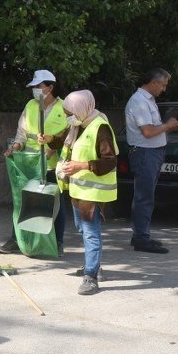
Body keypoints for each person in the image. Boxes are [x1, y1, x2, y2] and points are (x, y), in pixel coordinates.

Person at [0, 70, 69, 255]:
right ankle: (16, 239)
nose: (35, 90)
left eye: (39, 86)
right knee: (22, 201)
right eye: (34, 87)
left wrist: (50, 151)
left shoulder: (64, 107)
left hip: (52, 164)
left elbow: (67, 136)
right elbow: (21, 133)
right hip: (29, 164)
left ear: (50, 87)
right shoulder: (30, 105)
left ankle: (58, 241)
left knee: (55, 203)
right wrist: (14, 147)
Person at [57, 90, 119, 295]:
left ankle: (91, 276)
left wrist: (81, 166)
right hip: (79, 190)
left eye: (69, 112)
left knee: (91, 233)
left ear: (81, 109)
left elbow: (110, 161)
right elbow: (60, 139)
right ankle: (94, 265)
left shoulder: (100, 128)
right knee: (82, 229)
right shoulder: (79, 126)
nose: (68, 117)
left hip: (93, 193)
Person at [124, 68, 178, 254]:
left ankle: (141, 234)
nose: (164, 89)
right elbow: (148, 132)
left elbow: (154, 129)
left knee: (146, 196)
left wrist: (171, 128)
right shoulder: (139, 101)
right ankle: (142, 238)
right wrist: (168, 125)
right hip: (145, 153)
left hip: (152, 152)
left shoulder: (147, 100)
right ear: (153, 82)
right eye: (163, 84)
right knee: (144, 196)